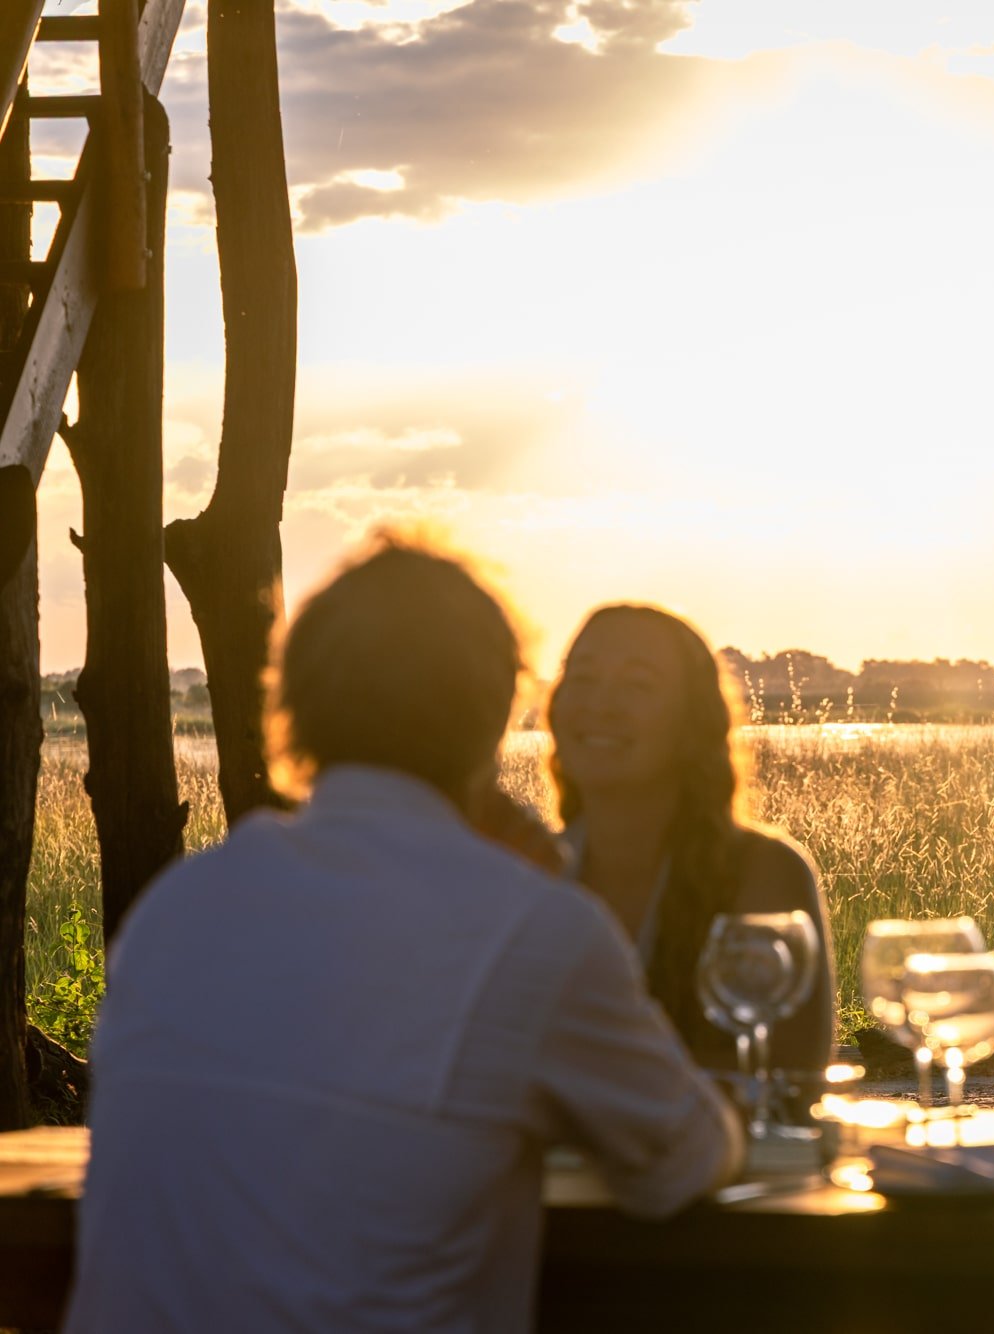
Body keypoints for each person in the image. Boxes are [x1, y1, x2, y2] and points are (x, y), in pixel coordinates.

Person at [65, 538, 740, 1334]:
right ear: (494, 713)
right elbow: (685, 1159)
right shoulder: (535, 930)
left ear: (298, 706)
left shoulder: (179, 904)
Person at [546, 604, 834, 1081]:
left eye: (637, 685)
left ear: (692, 721)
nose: (601, 704)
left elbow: (788, 1079)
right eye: (582, 678)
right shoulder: (526, 870)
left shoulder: (763, 872)